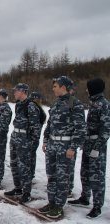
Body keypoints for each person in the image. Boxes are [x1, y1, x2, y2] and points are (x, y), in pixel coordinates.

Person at [38, 76, 86, 218]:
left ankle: (59, 206)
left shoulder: (74, 103)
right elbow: (49, 124)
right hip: (52, 145)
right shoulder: (56, 103)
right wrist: (46, 140)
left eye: (55, 86)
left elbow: (80, 129)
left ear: (63, 87)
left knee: (62, 178)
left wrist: (73, 147)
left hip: (65, 147)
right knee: (51, 176)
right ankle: (51, 202)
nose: (53, 89)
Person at [68, 78, 110, 219]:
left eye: (88, 88)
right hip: (88, 144)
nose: (86, 90)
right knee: (85, 172)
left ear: (94, 88)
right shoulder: (93, 103)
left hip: (97, 147)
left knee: (97, 177)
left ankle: (97, 206)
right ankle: (85, 197)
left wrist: (97, 148)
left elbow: (105, 130)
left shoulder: (104, 105)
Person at [5, 83, 41, 203]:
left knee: (24, 166)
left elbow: (36, 127)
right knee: (14, 164)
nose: (14, 93)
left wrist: (33, 144)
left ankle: (27, 192)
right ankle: (18, 188)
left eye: (16, 90)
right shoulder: (18, 104)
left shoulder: (31, 106)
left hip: (25, 139)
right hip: (15, 136)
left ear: (23, 91)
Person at [29, 91, 46, 180]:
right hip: (36, 137)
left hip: (33, 137)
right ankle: (31, 174)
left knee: (30, 156)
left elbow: (34, 126)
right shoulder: (40, 109)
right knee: (32, 156)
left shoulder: (35, 108)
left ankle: (30, 174)